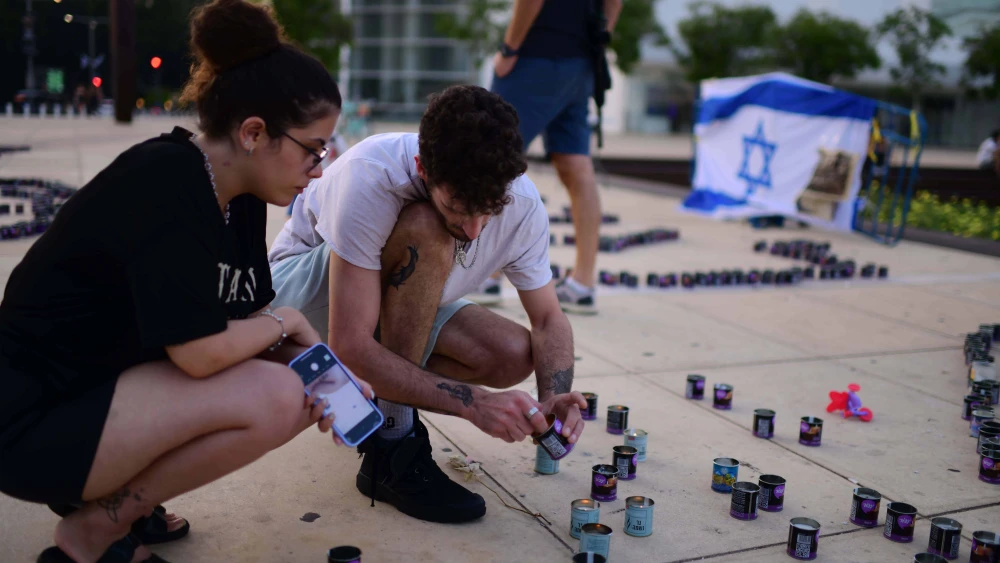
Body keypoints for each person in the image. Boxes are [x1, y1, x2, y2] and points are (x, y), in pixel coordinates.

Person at [0, 1, 369, 561]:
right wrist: (290, 321)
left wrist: (331, 377)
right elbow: (200, 355)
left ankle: (114, 502)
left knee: (296, 391)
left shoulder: (239, 194)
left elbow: (245, 335)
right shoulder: (165, 181)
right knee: (275, 396)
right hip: (30, 420)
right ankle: (94, 530)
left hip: (100, 397)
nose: (318, 168)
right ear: (253, 132)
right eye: (313, 149)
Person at [268, 84, 586, 525]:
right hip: (295, 309)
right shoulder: (372, 173)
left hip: (376, 309)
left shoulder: (521, 202)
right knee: (427, 227)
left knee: (511, 353)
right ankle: (391, 444)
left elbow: (549, 318)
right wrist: (472, 403)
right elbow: (349, 346)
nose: (474, 230)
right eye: (459, 206)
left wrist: (552, 395)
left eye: (488, 210)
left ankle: (373, 407)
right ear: (422, 167)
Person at [470, 0, 622, 315]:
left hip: (535, 56)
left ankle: (487, 276)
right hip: (580, 63)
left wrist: (510, 49)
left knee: (492, 156)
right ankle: (583, 284)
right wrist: (598, 40)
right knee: (576, 166)